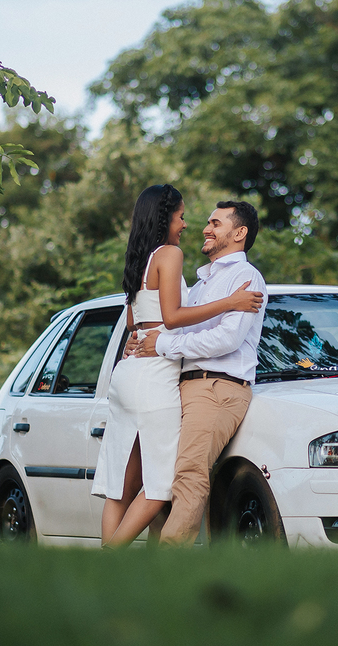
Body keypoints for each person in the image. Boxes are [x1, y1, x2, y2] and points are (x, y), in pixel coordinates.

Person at [91, 185, 262, 549]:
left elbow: (217, 337)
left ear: (239, 232)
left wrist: (147, 340)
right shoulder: (195, 276)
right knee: (162, 482)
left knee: (148, 479)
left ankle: (150, 562)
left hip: (202, 384)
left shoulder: (242, 279)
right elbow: (173, 319)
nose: (197, 226)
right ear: (165, 217)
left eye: (215, 222)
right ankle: (117, 561)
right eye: (184, 217)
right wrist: (154, 340)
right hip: (163, 379)